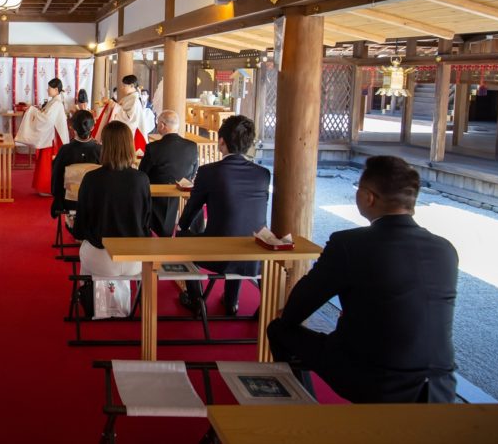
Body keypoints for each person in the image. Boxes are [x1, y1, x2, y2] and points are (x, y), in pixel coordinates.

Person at [267, 156, 458, 403]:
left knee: (280, 330)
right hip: (439, 386)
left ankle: (301, 409)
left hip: (374, 379)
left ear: (368, 197)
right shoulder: (445, 249)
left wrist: (289, 316)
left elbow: (300, 305)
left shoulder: (349, 244)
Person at [177, 115, 269, 316]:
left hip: (218, 254)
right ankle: (231, 301)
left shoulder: (209, 172)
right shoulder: (263, 174)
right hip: (255, 255)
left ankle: (196, 300)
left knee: (182, 239)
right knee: (240, 232)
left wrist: (181, 227)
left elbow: (193, 208)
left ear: (221, 142)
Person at [71, 121, 151, 317]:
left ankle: (93, 301)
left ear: (104, 146)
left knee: (85, 249)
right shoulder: (141, 179)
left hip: (100, 256)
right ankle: (117, 306)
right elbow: (146, 222)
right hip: (134, 259)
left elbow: (80, 226)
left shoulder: (91, 178)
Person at [138, 110, 198, 237]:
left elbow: (142, 173)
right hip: (182, 188)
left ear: (162, 125)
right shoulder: (192, 146)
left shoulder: (153, 147)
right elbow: (193, 172)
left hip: (155, 191)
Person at [15, 77, 70, 195]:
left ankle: (48, 188)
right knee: (45, 164)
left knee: (47, 164)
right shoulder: (54, 101)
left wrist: (32, 110)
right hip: (50, 137)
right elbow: (45, 115)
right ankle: (45, 188)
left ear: (56, 90)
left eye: (50, 88)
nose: (47, 90)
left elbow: (46, 119)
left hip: (52, 140)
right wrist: (35, 109)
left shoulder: (57, 103)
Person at [50, 110, 102, 218]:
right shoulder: (100, 150)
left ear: (72, 128)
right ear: (92, 127)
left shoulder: (65, 150)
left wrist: (57, 197)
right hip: (95, 201)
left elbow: (56, 178)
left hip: (70, 202)